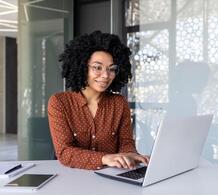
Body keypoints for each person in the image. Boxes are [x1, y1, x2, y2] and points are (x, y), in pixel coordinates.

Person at [48, 30, 149, 170]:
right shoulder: (60, 102)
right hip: (71, 179)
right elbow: (64, 152)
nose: (106, 75)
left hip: (110, 178)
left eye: (111, 69)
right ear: (83, 67)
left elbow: (126, 142)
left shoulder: (119, 103)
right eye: (97, 67)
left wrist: (130, 154)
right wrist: (104, 158)